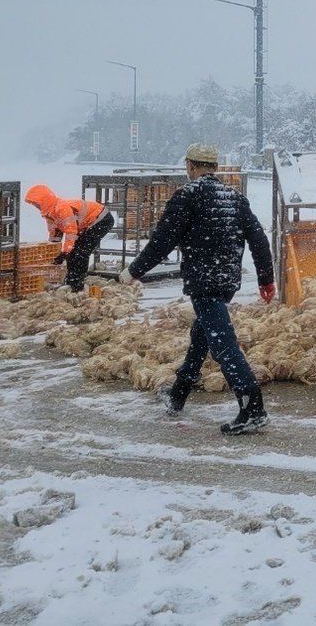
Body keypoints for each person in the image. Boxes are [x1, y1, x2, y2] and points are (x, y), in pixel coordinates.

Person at [120, 143, 276, 435]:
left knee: (223, 344)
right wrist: (266, 279)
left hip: (204, 282)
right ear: (214, 167)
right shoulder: (235, 198)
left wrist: (134, 271)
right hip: (226, 279)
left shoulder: (187, 196)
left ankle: (252, 406)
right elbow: (258, 240)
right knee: (202, 336)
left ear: (190, 165)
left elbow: (163, 240)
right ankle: (178, 394)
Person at [23, 185, 115, 293]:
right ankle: (71, 280)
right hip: (88, 224)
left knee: (80, 252)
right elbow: (55, 235)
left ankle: (76, 284)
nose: (36, 206)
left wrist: (65, 252)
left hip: (101, 219)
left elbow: (71, 232)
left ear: (44, 200)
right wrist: (54, 252)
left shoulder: (61, 208)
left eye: (36, 203)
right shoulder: (50, 215)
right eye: (34, 204)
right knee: (74, 252)